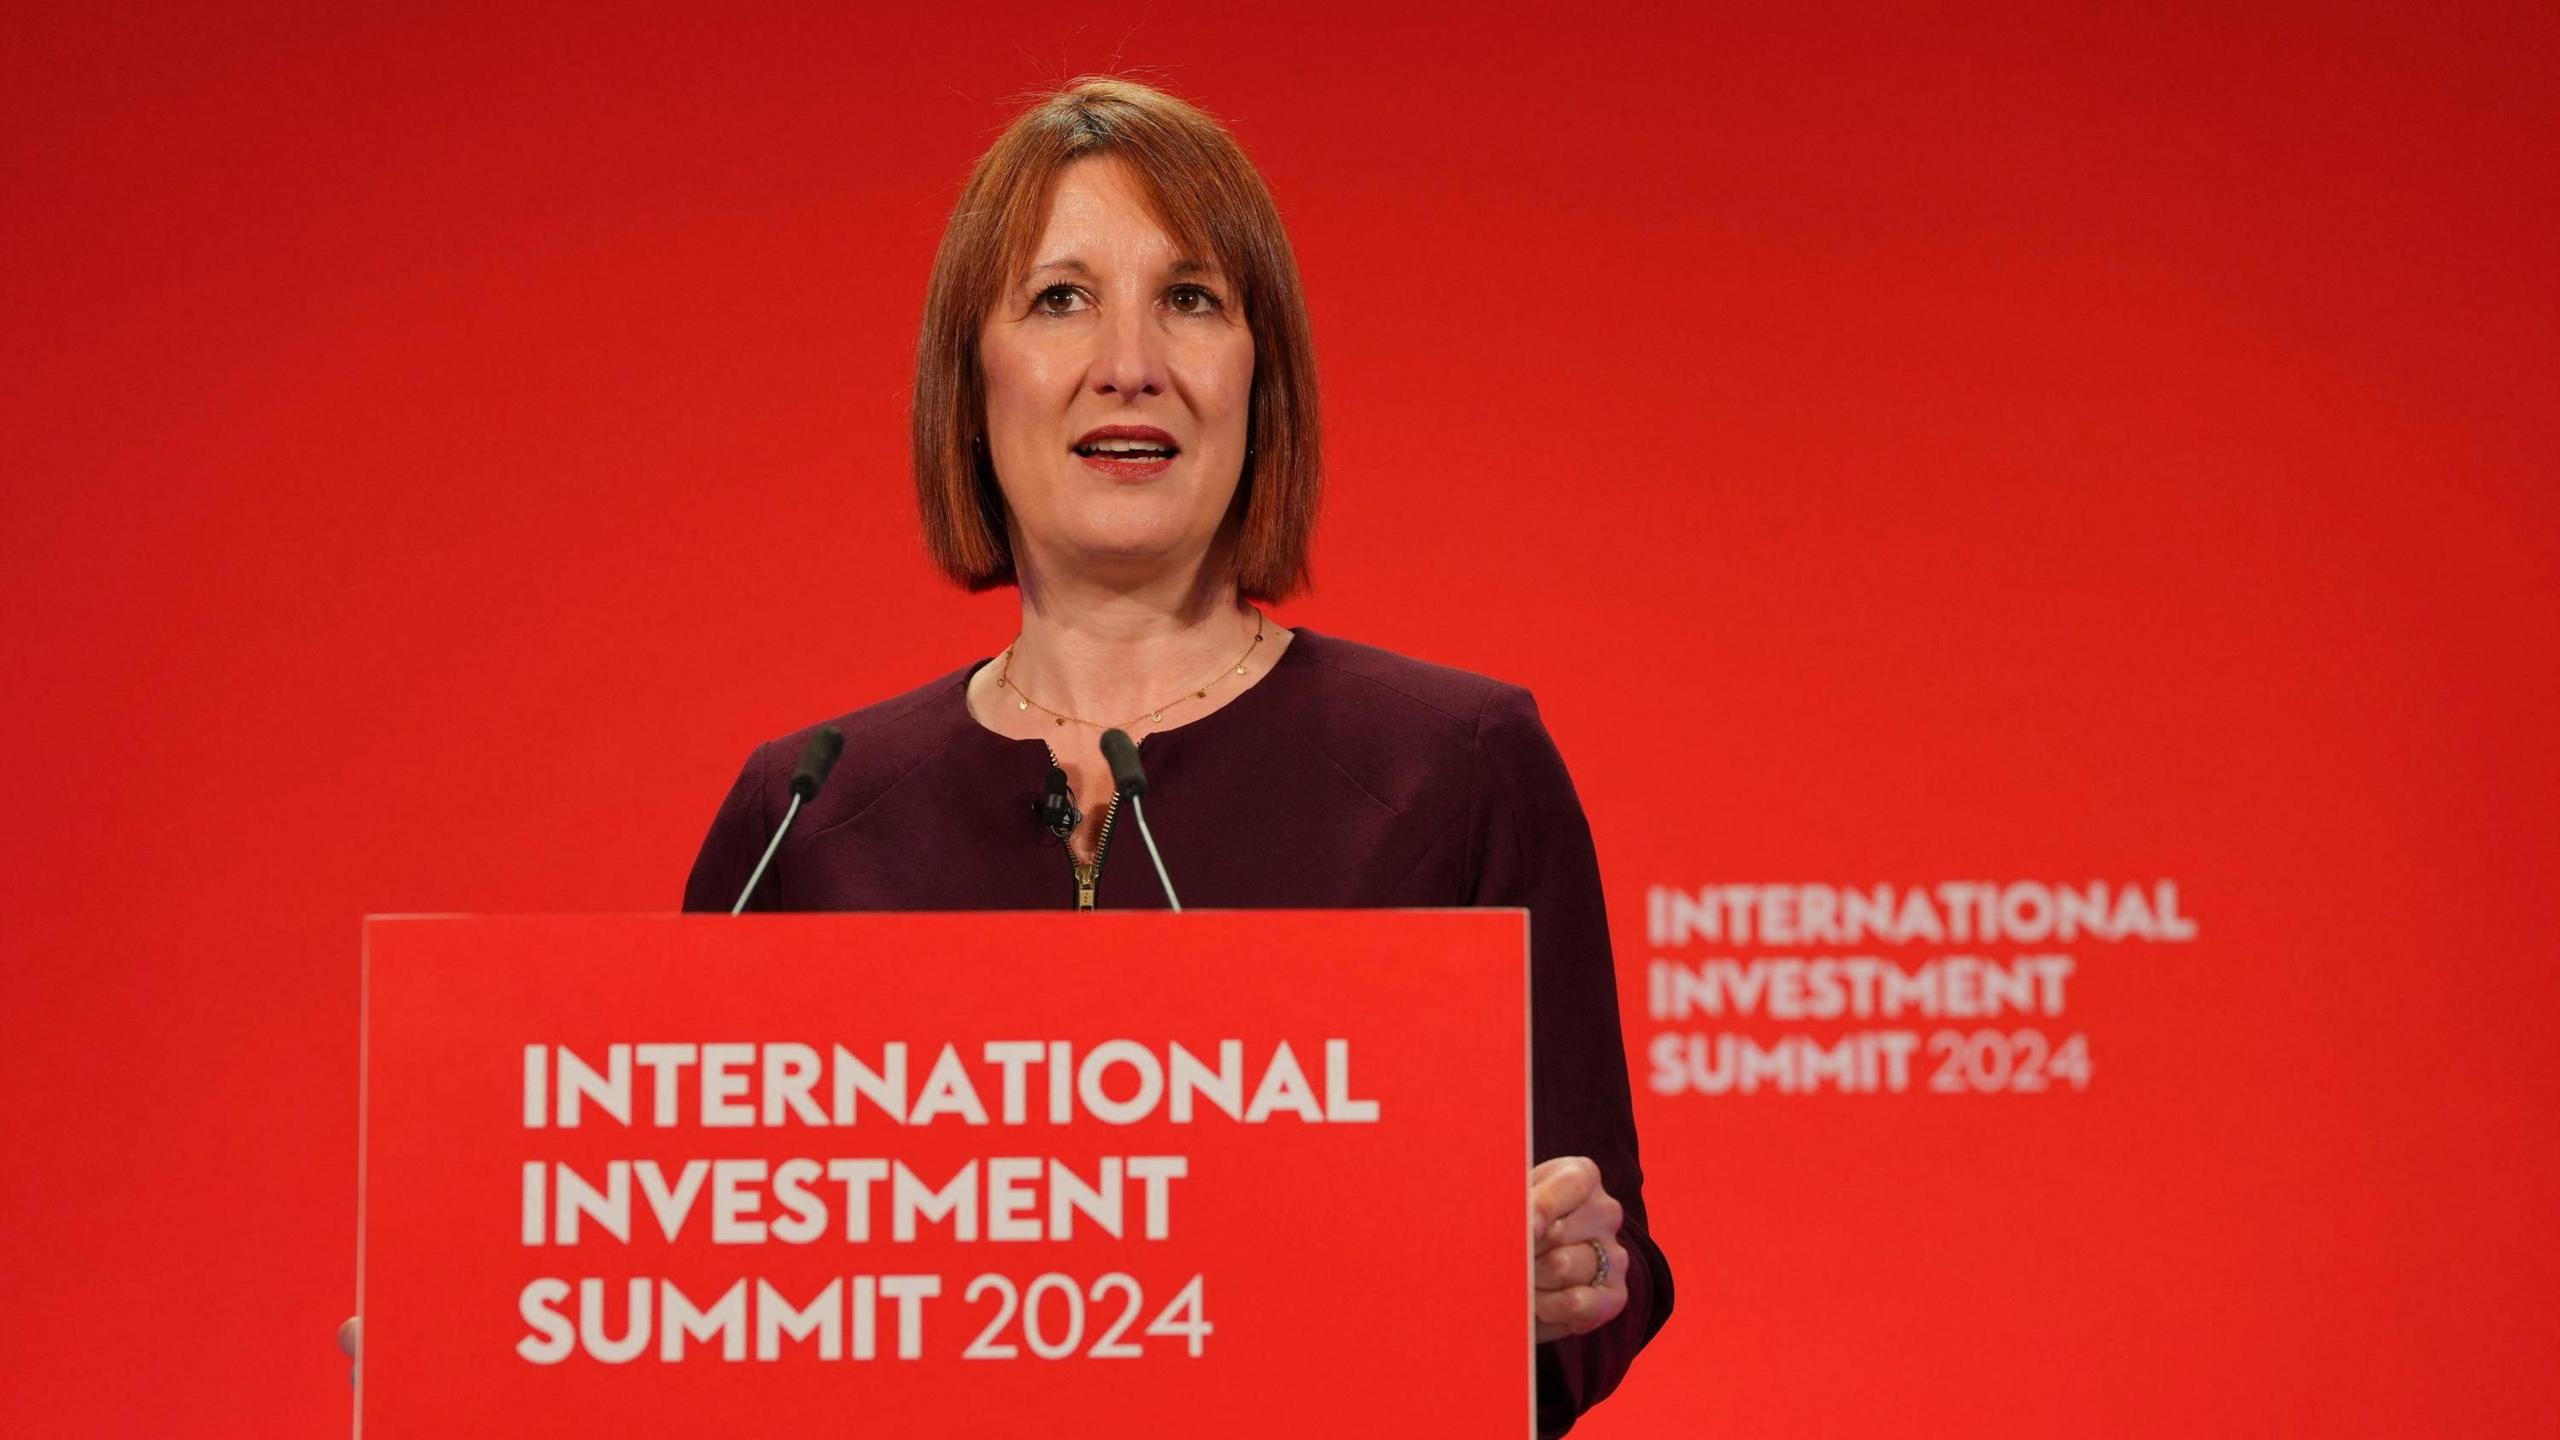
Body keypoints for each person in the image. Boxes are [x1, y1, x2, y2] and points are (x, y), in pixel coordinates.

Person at [349, 76, 1674, 1438]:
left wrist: (1548, 1285)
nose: (1130, 362)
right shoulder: (807, 815)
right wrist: (481, 1337)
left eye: (1194, 299)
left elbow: (1612, 1284)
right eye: (1059, 299)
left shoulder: (1456, 766)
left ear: (1259, 375)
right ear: (969, 380)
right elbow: (711, 1290)